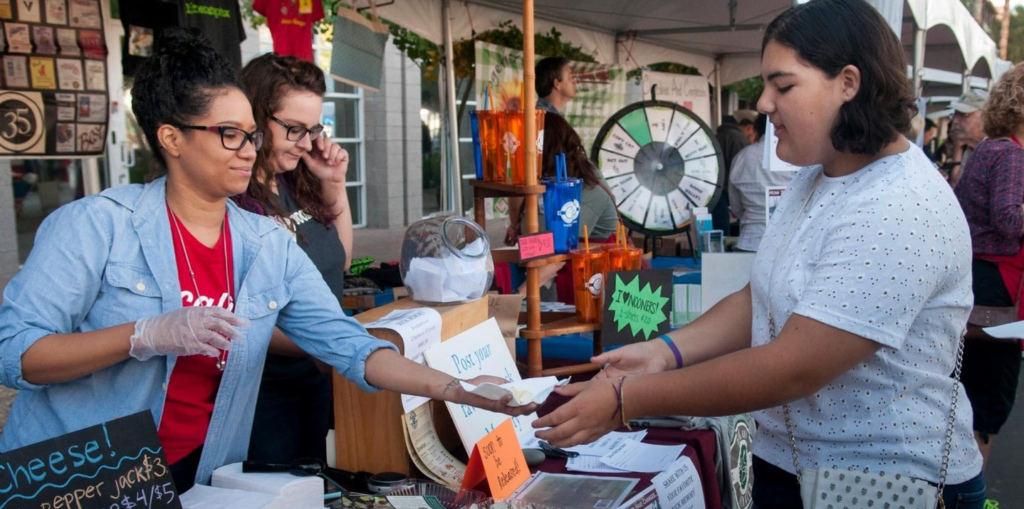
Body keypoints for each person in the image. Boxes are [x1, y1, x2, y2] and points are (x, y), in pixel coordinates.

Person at [0, 28, 532, 493]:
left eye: (252, 135)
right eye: (229, 135)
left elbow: (345, 344)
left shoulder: (265, 242)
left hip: (205, 470)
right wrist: (142, 336)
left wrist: (456, 389)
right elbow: (15, 354)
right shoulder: (96, 225)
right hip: (85, 475)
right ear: (171, 139)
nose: (248, 150)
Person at [533, 1, 985, 507]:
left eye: (783, 85)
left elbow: (794, 365)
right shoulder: (816, 177)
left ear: (849, 83)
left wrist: (627, 399)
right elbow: (760, 296)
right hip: (796, 466)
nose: (764, 103)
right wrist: (665, 352)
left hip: (878, 481)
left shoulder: (897, 205)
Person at [232, 53, 352, 464]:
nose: (306, 142)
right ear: (256, 117)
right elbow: (235, 314)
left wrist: (335, 186)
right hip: (265, 387)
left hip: (319, 369)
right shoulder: (233, 197)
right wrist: (323, 344)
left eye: (314, 129)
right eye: (294, 128)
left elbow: (339, 263)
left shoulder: (296, 178)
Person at [953, 62, 1024, 488]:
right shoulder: (1012, 154)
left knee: (969, 399)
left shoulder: (992, 150)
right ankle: (974, 495)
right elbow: (1010, 219)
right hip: (996, 290)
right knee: (987, 402)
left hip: (978, 281)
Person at [727, 113, 796, 251]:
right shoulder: (795, 159)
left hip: (749, 240)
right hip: (786, 244)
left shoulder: (743, 156)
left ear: (757, 129)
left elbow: (735, 205)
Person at [714, 115, 748, 232]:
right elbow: (740, 171)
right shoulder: (737, 137)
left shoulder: (717, 137)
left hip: (717, 190)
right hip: (727, 192)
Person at [947, 89, 988, 187]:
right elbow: (957, 186)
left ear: (985, 117)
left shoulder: (999, 151)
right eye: (955, 114)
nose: (955, 121)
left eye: (964, 114)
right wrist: (958, 148)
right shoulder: (970, 149)